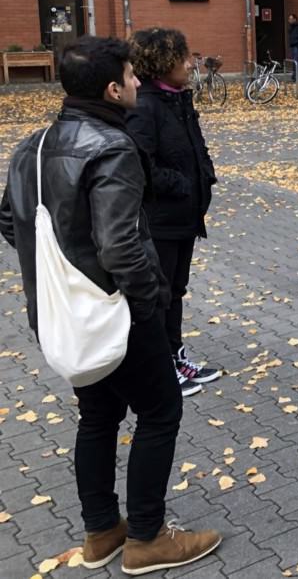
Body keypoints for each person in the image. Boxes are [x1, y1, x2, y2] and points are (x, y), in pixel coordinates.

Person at [0, 36, 222, 575]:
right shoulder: (111, 147)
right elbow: (120, 244)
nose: (139, 82)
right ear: (111, 87)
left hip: (64, 316)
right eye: (131, 75)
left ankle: (101, 531)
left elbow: (11, 221)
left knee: (97, 415)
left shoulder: (33, 143)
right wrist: (150, 302)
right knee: (162, 409)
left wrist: (56, 275)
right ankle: (147, 536)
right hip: (116, 311)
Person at [126, 27, 221, 397]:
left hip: (185, 217)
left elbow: (195, 146)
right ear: (163, 63)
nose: (190, 63)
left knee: (176, 290)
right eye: (184, 58)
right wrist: (181, 185)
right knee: (159, 293)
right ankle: (159, 365)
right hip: (161, 220)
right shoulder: (145, 105)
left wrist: (206, 175)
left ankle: (174, 354)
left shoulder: (178, 99)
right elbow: (141, 163)